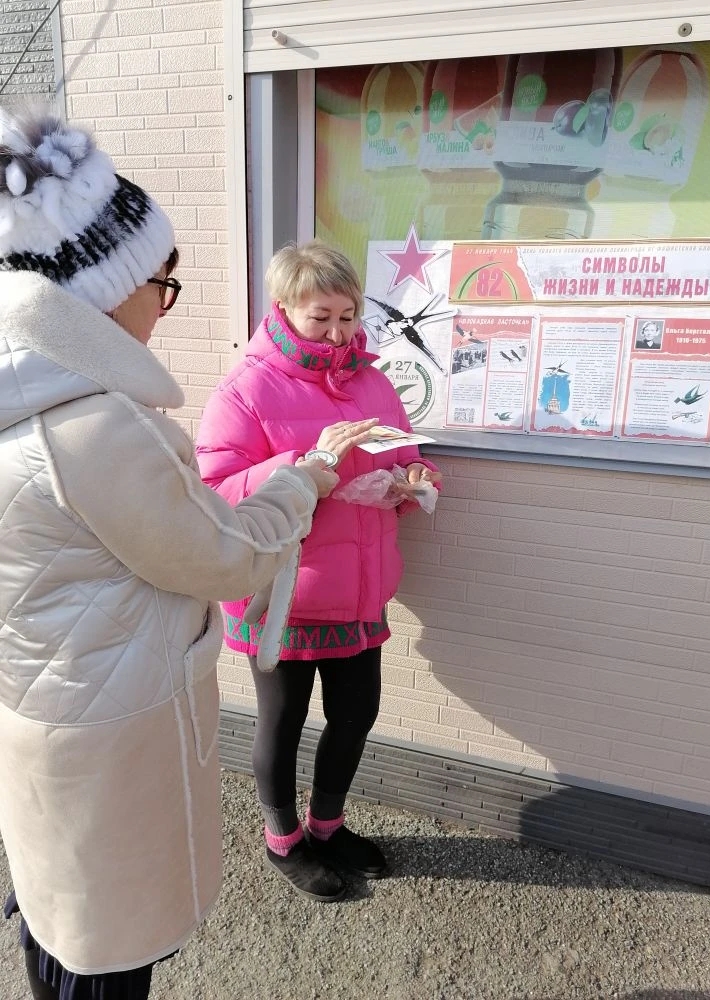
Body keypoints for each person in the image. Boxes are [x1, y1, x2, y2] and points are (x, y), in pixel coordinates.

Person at [0, 107, 338, 1000]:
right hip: (113, 735)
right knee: (105, 956)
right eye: (164, 281)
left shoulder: (19, 405)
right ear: (107, 289)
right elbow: (222, 557)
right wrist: (303, 481)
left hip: (43, 707)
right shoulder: (95, 429)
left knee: (61, 924)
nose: (165, 302)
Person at [196, 240, 441, 903]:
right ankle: (283, 841)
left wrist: (415, 478)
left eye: (348, 316)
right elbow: (214, 495)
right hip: (284, 596)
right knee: (283, 723)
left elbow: (405, 451)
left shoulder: (373, 381)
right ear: (284, 309)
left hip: (361, 591)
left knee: (356, 714)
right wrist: (304, 467)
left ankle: (327, 827)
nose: (338, 333)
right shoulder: (247, 389)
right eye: (321, 317)